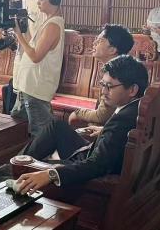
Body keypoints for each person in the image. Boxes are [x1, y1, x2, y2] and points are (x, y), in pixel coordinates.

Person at [15, 54, 149, 195]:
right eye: (103, 84)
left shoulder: (122, 121)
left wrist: (51, 174)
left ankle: (13, 173)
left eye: (109, 86)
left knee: (32, 168)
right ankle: (15, 165)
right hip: (94, 152)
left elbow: (97, 165)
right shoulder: (139, 108)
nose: (103, 91)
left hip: (87, 171)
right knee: (57, 127)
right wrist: (104, 131)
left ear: (132, 90)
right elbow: (120, 138)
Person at [11, 0, 65, 139]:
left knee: (41, 137)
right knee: (15, 130)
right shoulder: (47, 21)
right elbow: (32, 47)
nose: (38, 2)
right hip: (28, 86)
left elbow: (35, 56)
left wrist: (19, 35)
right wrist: (21, 32)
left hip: (36, 89)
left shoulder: (53, 25)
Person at [68, 24, 134, 133]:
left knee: (62, 125)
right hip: (111, 127)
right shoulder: (119, 68)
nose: (94, 43)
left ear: (112, 49)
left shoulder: (116, 75)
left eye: (99, 41)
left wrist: (78, 113)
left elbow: (101, 116)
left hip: (116, 132)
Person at [6, 0, 46, 113]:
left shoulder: (42, 1)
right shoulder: (23, 1)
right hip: (22, 51)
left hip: (36, 51)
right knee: (19, 96)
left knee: (30, 101)